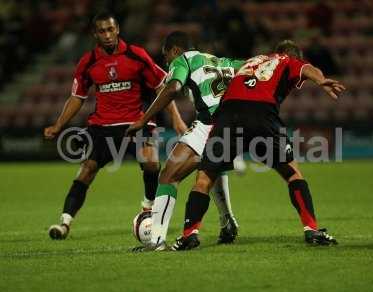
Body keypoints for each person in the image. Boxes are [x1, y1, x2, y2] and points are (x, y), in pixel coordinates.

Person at [169, 40, 345, 251]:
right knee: (293, 173)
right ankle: (312, 230)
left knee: (205, 178)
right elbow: (307, 68)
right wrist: (321, 79)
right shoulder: (288, 60)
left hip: (228, 112)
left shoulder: (252, 61)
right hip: (261, 113)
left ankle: (189, 235)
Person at [44, 12, 187, 240]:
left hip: (135, 123)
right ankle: (64, 222)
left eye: (111, 30)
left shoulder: (136, 55)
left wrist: (177, 120)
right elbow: (77, 96)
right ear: (95, 34)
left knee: (151, 163)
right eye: (102, 31)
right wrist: (59, 125)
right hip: (103, 126)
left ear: (118, 29)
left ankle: (148, 207)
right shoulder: (89, 62)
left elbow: (162, 87)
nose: (108, 35)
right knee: (86, 171)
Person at [126, 31, 245, 251]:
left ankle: (156, 241)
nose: (167, 62)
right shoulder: (221, 61)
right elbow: (251, 67)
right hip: (237, 126)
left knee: (168, 176)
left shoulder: (183, 60)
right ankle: (227, 222)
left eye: (166, 56)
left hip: (211, 123)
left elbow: (173, 88)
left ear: (175, 50)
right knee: (211, 170)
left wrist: (144, 119)